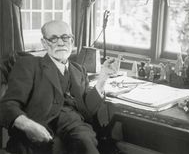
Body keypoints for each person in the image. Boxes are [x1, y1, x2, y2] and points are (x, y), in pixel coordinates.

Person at [0, 20, 117, 154]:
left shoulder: (79, 70)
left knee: (85, 139)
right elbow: (7, 105)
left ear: (72, 41)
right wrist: (28, 125)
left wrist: (103, 77)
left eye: (65, 37)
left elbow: (87, 110)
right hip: (39, 128)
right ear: (44, 43)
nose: (61, 43)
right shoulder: (29, 64)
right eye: (53, 39)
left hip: (77, 129)